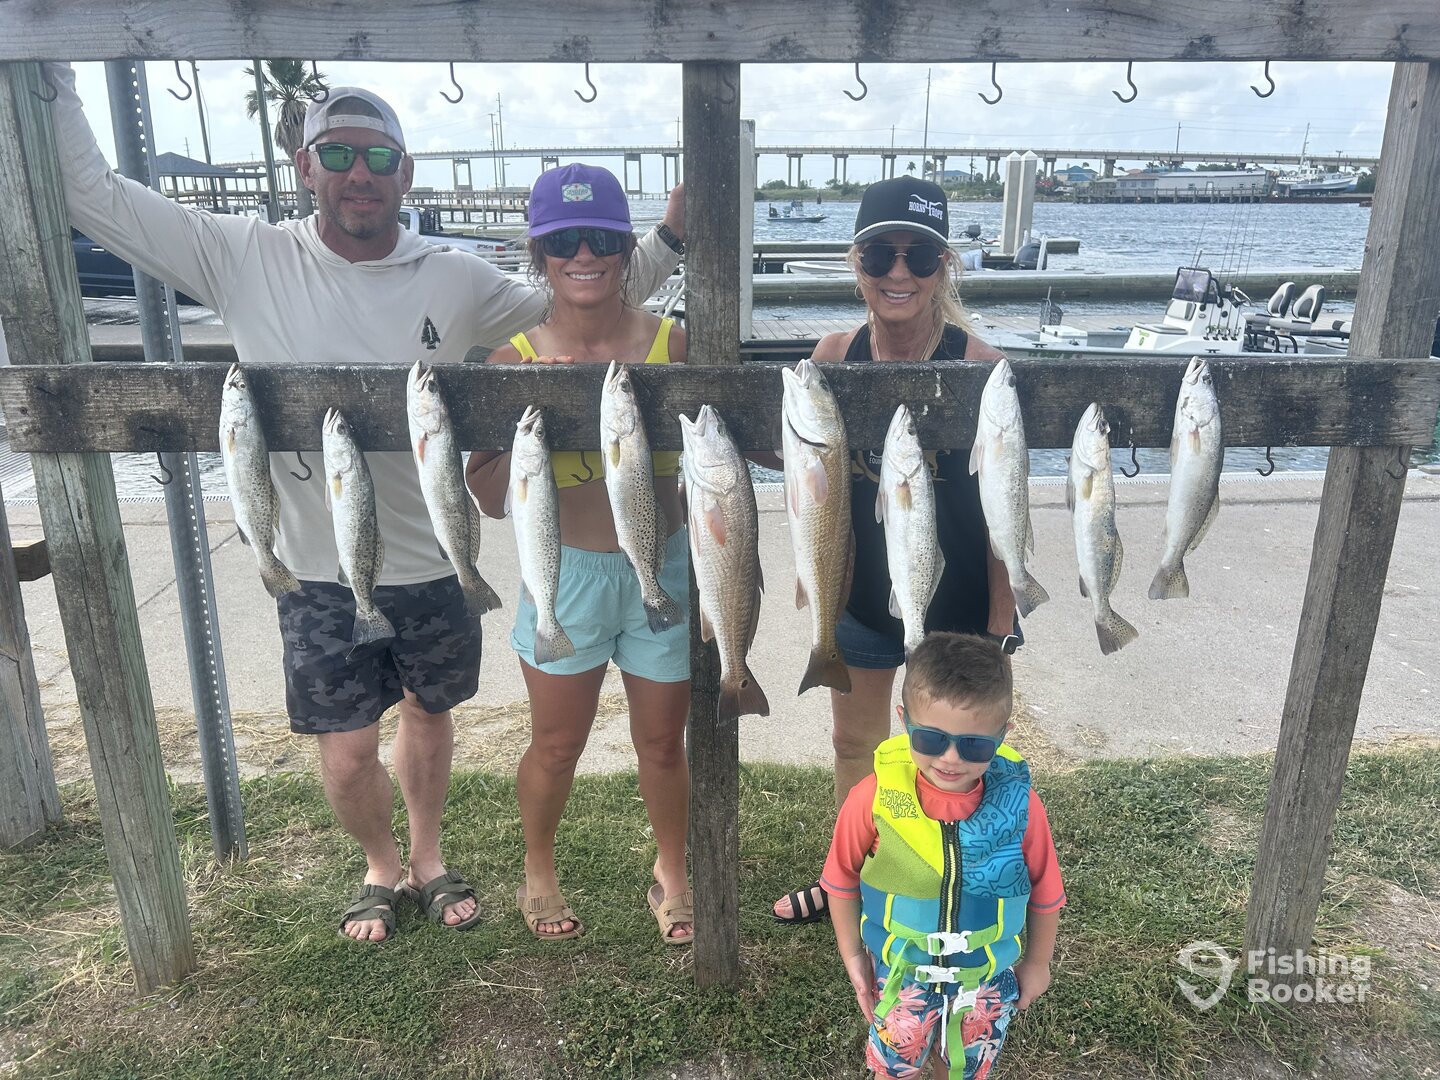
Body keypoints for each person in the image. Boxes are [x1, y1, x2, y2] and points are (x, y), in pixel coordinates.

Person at [44, 64, 685, 943]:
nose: (359, 173)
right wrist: (55, 71)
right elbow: (94, 196)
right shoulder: (241, 254)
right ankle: (380, 862)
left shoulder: (455, 278)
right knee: (346, 752)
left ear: (404, 173)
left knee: (429, 714)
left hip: (435, 554)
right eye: (338, 154)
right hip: (315, 562)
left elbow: (580, 294)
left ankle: (427, 856)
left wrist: (669, 236)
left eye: (379, 157)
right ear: (305, 166)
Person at [774, 176, 1019, 924]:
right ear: (858, 265)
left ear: (947, 267)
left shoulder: (981, 363)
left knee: (954, 755)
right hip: (857, 593)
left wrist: (1001, 615)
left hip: (957, 600)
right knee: (855, 744)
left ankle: (949, 884)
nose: (899, 273)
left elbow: (1004, 503)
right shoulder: (831, 355)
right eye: (881, 255)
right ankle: (850, 878)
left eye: (920, 256)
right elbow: (808, 476)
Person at [464, 164, 694, 945]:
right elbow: (489, 495)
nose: (584, 255)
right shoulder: (511, 359)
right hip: (564, 574)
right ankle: (538, 867)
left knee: (661, 742)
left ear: (626, 247)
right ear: (539, 254)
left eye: (600, 238)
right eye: (564, 242)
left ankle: (673, 869)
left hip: (663, 565)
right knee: (557, 744)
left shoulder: (675, 345)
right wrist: (533, 415)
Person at [825, 633, 1064, 1078]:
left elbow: (1046, 892)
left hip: (984, 982)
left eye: (974, 745)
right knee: (895, 1068)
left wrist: (1037, 962)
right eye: (932, 739)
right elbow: (839, 879)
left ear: (1002, 736)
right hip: (902, 978)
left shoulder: (1022, 808)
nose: (951, 758)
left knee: (962, 1068)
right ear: (905, 722)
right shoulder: (873, 800)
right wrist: (853, 955)